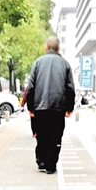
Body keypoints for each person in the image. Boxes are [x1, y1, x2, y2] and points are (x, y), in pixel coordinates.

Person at [26, 36, 75, 174]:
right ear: (58, 48)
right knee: (55, 137)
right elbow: (70, 88)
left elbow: (30, 87)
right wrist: (69, 107)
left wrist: (31, 107)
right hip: (58, 108)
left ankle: (41, 161)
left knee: (41, 135)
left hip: (40, 107)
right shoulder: (65, 65)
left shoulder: (37, 63)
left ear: (45, 47)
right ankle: (51, 165)